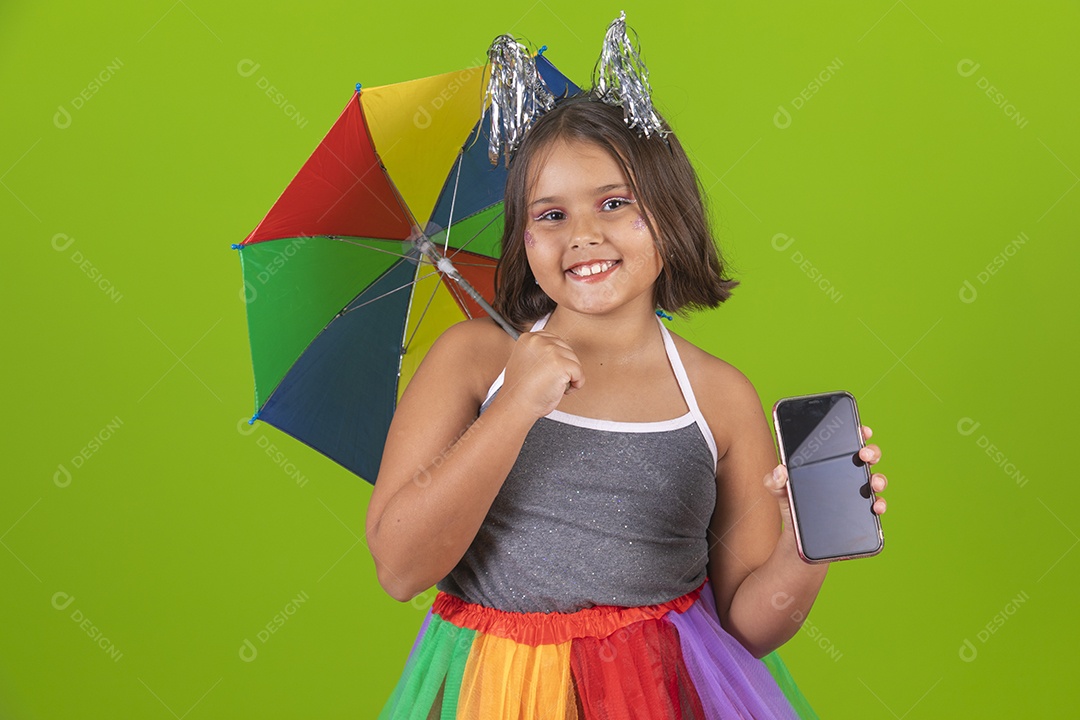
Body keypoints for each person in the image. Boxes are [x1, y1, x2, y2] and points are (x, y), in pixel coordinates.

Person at [366, 23, 889, 720]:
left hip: (658, 695)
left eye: (615, 203)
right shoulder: (472, 361)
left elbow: (746, 629)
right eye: (550, 214)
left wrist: (805, 548)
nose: (583, 233)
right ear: (523, 237)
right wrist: (516, 404)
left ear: (670, 218)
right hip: (495, 695)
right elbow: (401, 569)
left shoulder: (717, 397)